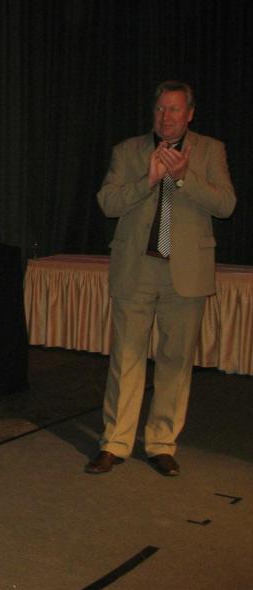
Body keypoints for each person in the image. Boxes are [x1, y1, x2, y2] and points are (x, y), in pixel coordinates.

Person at [87, 81, 236, 476]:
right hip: (136, 268)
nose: (165, 117)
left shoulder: (211, 150)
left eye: (174, 109)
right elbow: (107, 202)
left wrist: (185, 178)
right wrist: (148, 181)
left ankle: (161, 443)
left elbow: (226, 204)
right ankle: (115, 442)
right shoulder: (128, 151)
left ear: (190, 114)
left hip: (185, 272)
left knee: (175, 361)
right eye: (160, 109)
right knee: (126, 358)